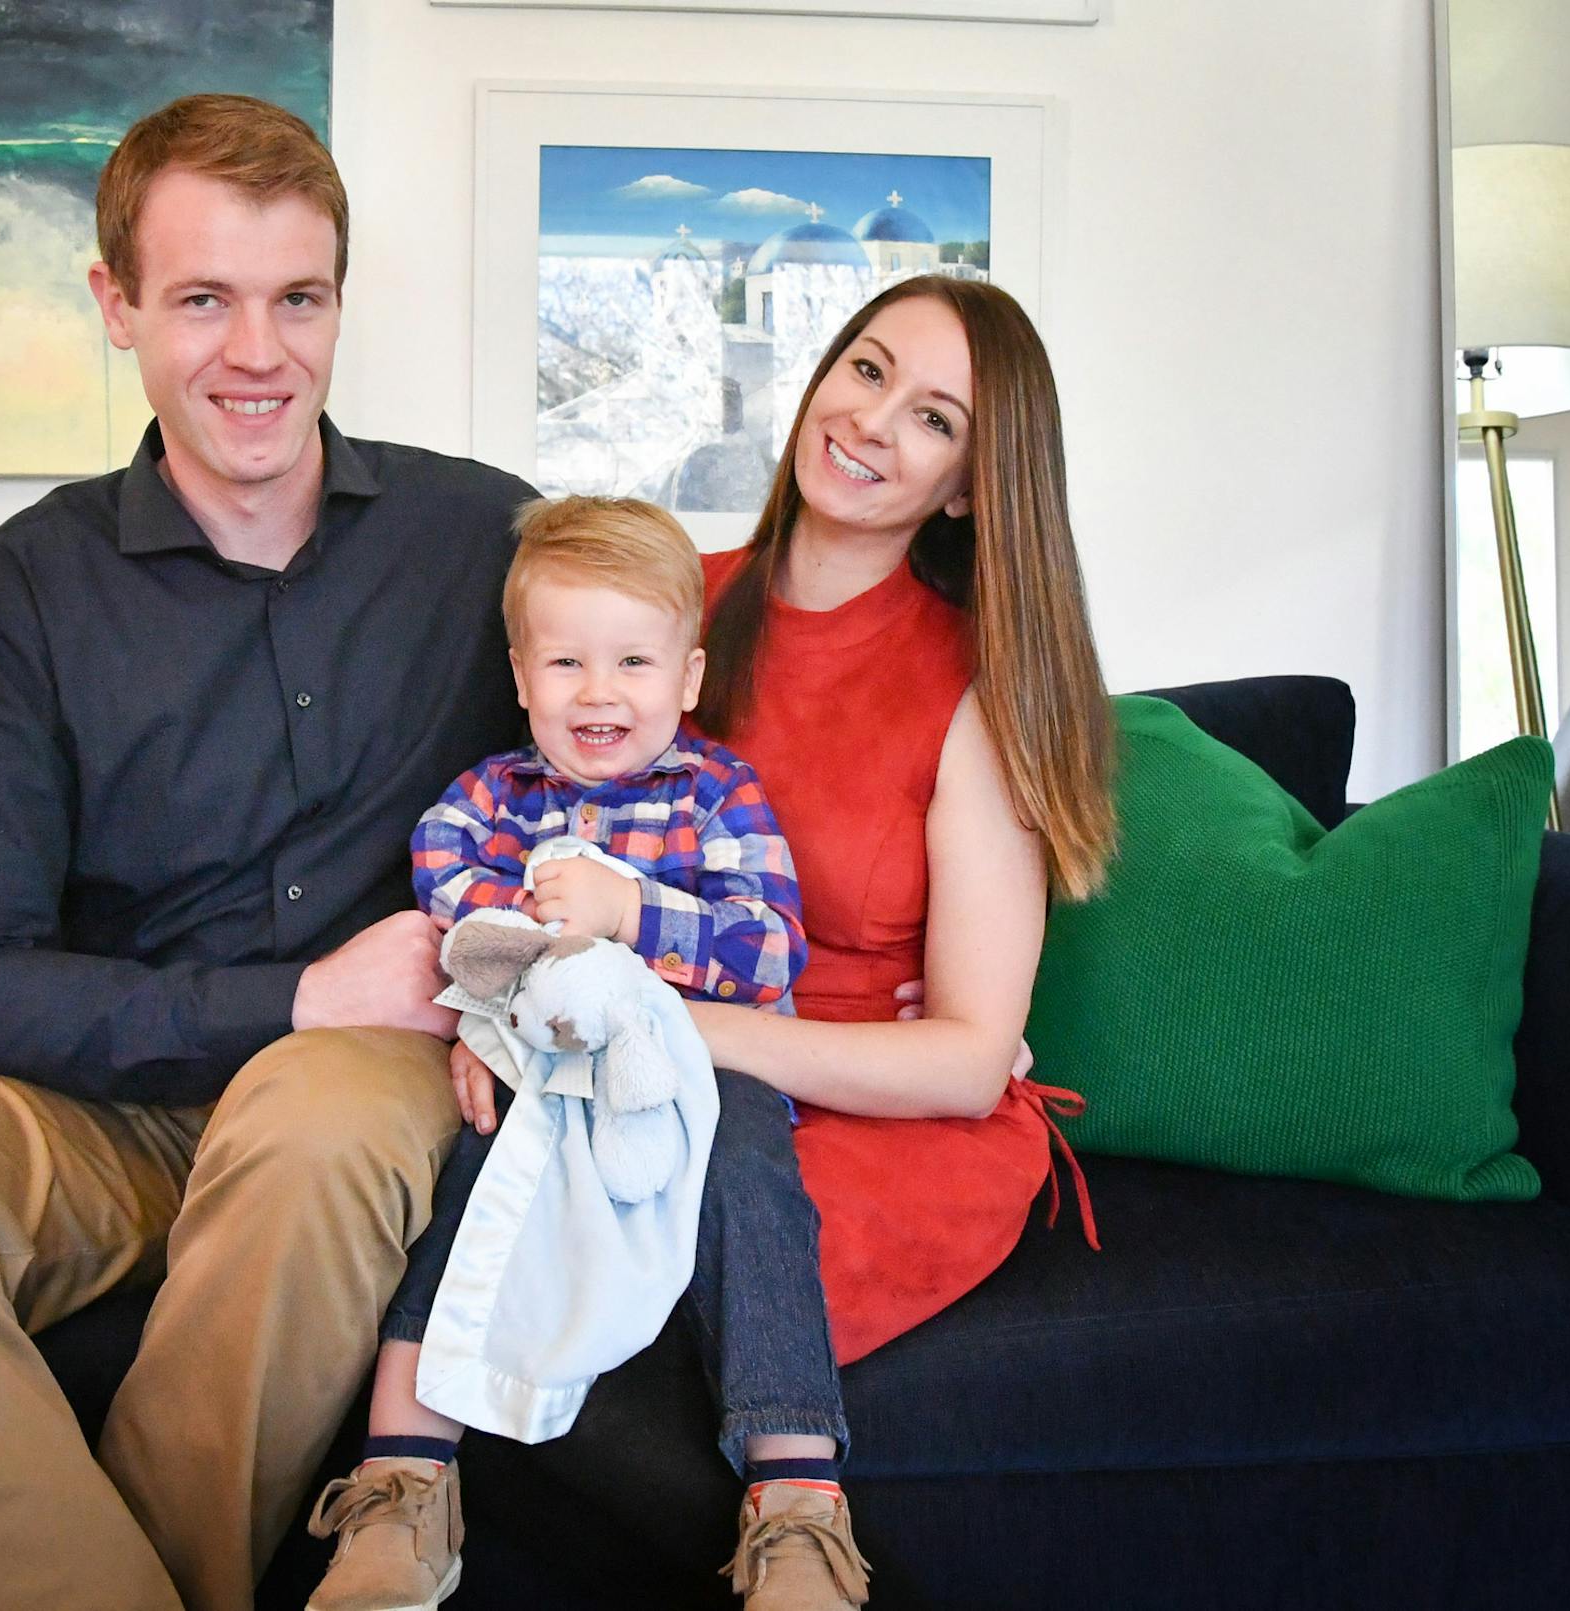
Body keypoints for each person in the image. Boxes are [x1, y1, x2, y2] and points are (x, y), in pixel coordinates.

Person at [0, 94, 539, 1611]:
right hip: (107, 1115)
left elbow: (667, 713)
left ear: (339, 303)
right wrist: (291, 996)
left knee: (316, 1124)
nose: (258, 352)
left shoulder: (483, 540)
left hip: (362, 1090)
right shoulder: (20, 593)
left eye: (299, 299)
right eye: (204, 299)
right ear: (116, 307)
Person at [445, 277, 1115, 1611]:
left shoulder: (970, 683)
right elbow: (510, 831)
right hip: (630, 1058)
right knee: (528, 1227)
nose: (869, 421)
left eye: (931, 416)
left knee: (673, 1270)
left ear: (973, 485)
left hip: (877, 1109)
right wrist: (492, 1015)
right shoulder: (663, 611)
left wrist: (655, 1026)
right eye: (864, 370)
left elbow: (971, 1060)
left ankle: (801, 1541)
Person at [303, 494, 809, 1611]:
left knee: (758, 1173)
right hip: (542, 1075)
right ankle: (403, 1484)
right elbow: (461, 926)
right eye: (567, 661)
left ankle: (798, 1502)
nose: (598, 692)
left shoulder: (717, 794)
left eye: (633, 661)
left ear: (686, 676)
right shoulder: (479, 806)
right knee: (470, 1176)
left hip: (692, 1074)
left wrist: (629, 912)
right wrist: (521, 991)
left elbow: (770, 951)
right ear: (523, 677)